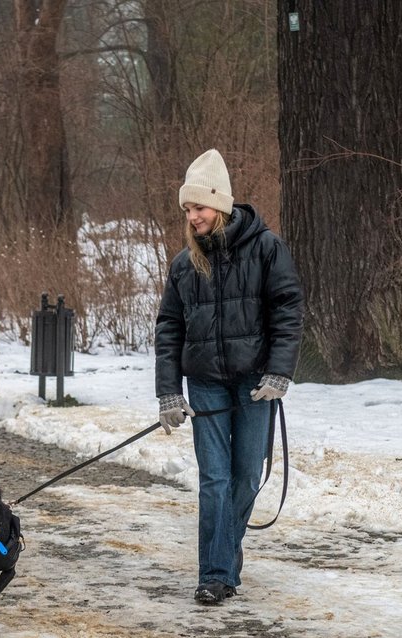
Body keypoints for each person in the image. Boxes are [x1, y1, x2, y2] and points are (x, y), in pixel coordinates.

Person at [155, 148, 304, 605]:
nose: (192, 217)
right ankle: (216, 574)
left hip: (255, 385)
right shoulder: (185, 264)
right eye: (187, 209)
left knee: (245, 475)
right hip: (205, 384)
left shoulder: (266, 248)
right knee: (214, 478)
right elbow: (169, 328)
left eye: (198, 207)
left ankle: (223, 552)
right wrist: (168, 393)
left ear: (219, 205)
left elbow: (288, 311)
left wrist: (279, 372)